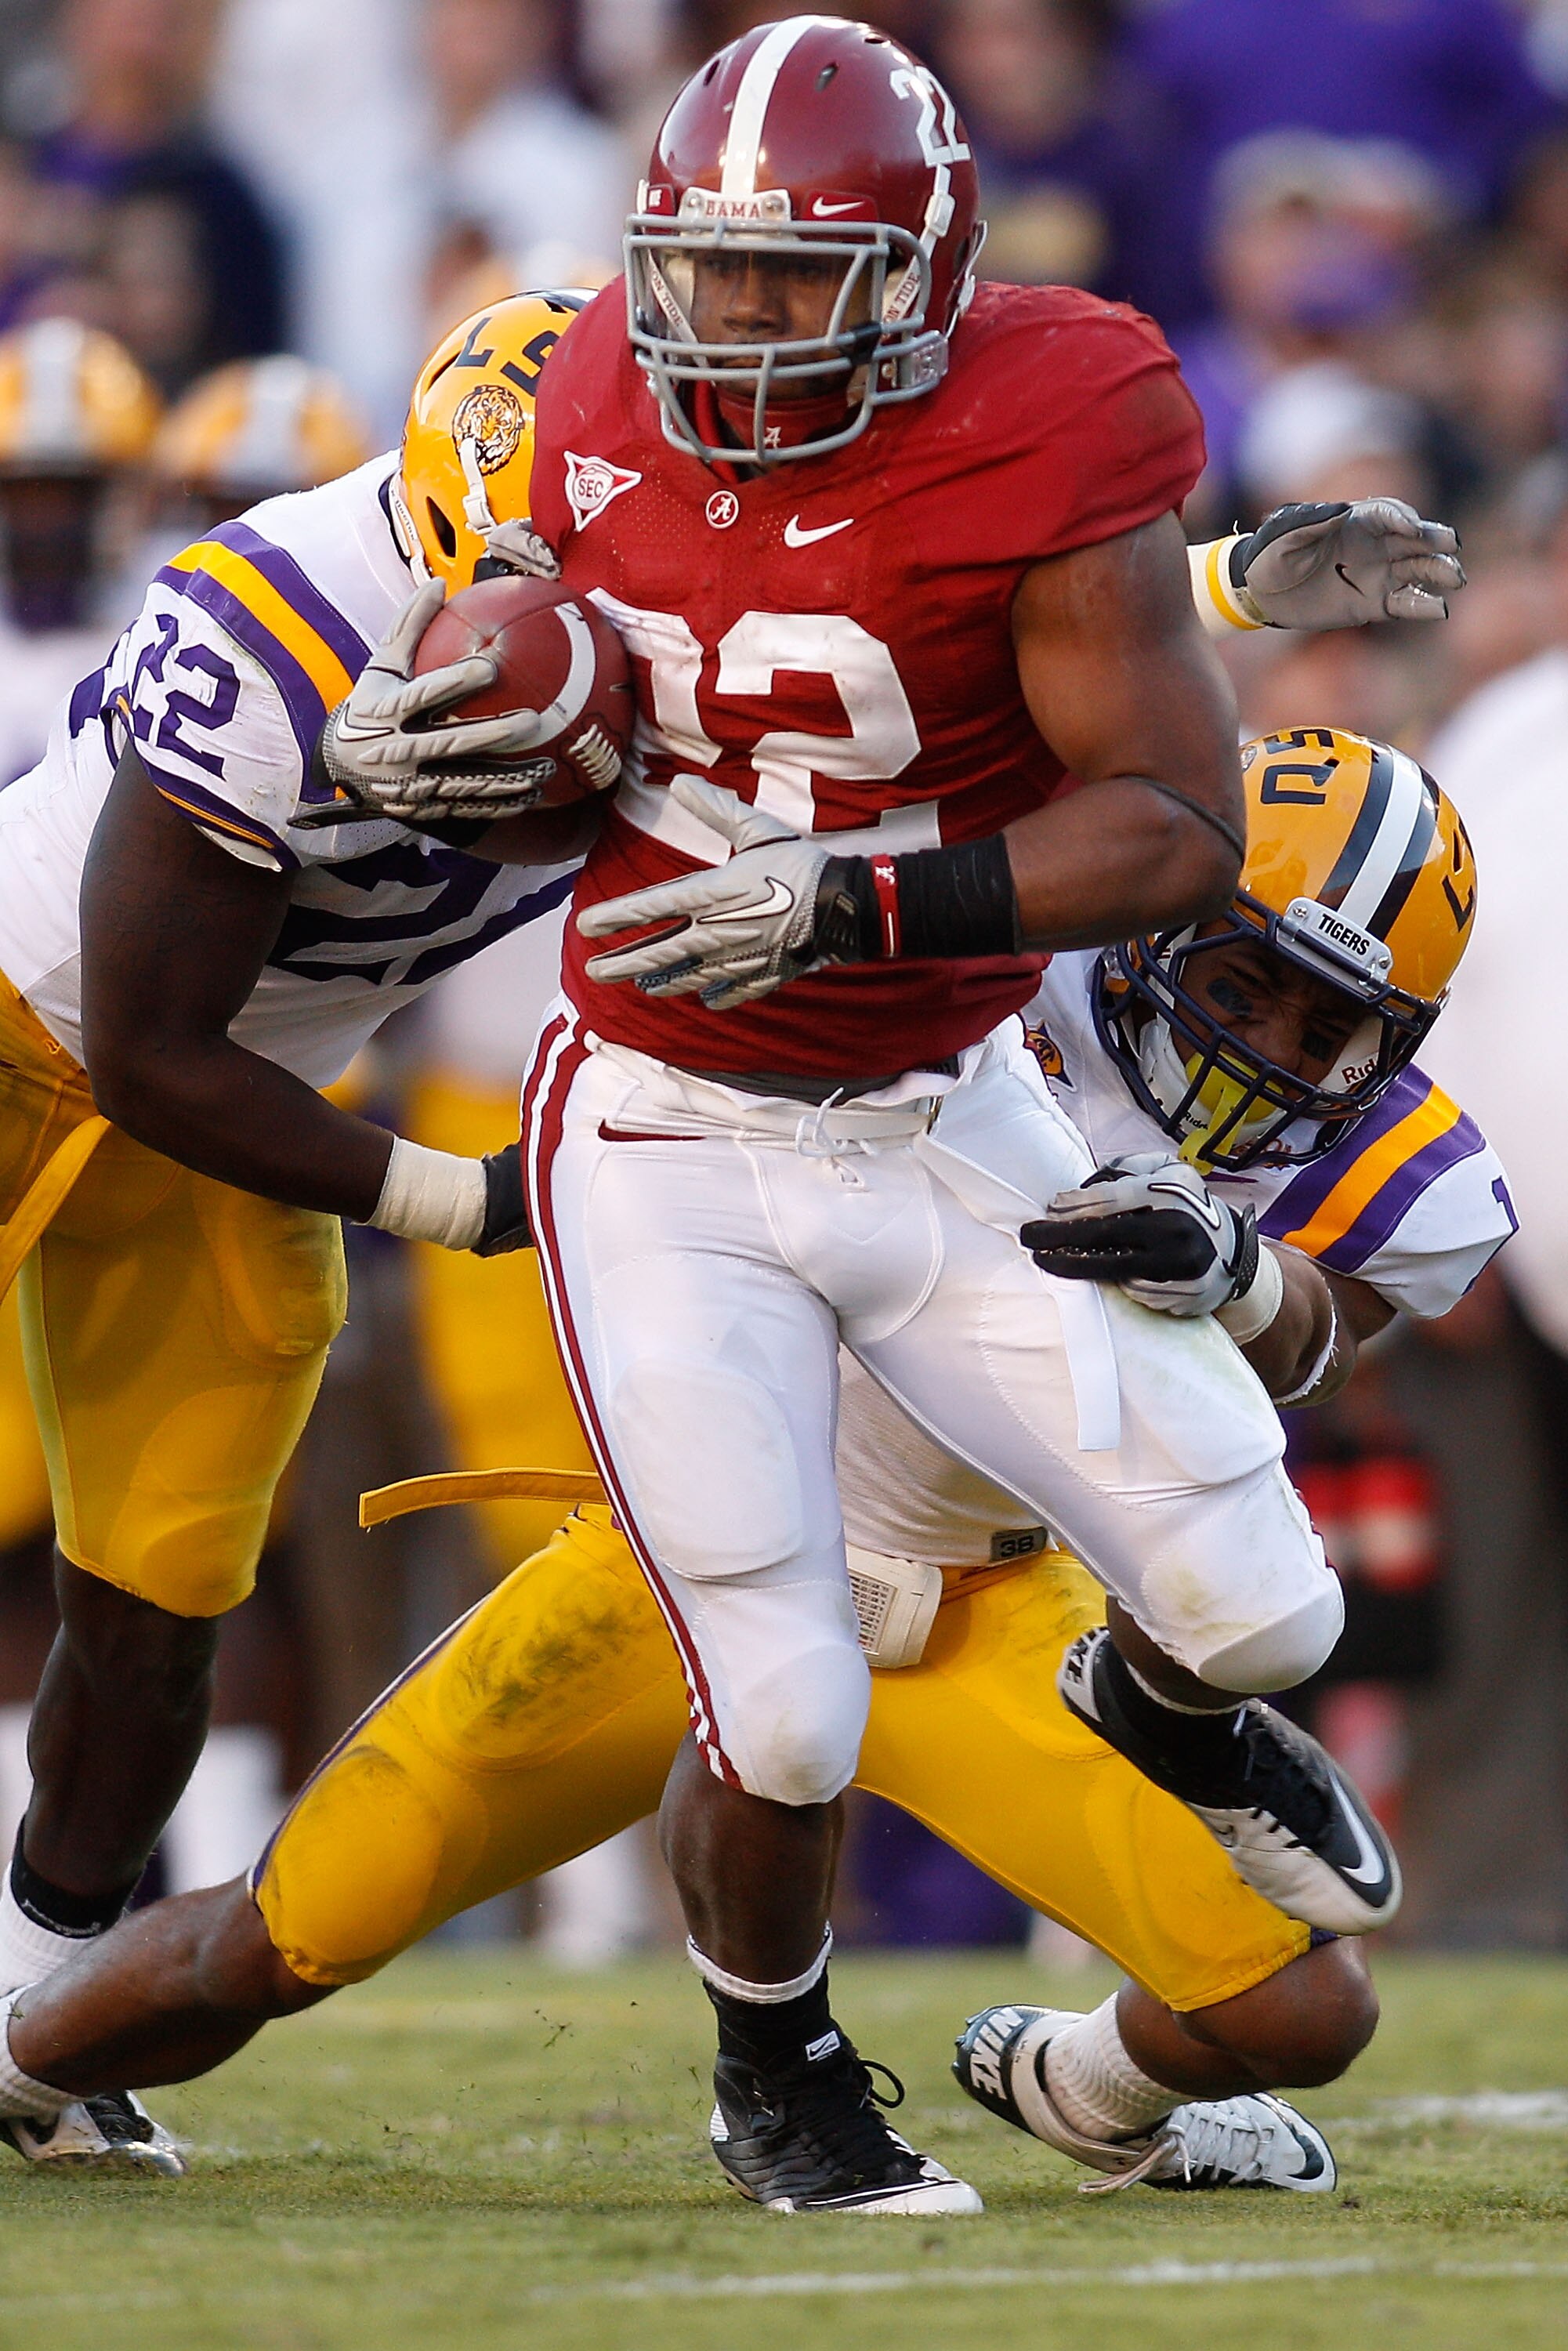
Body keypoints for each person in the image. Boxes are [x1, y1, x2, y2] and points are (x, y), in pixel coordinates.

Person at [344, 18, 1465, 2215]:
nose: (737, 328)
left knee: (1270, 1621)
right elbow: (654, 658)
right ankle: (779, 2075)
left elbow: (1158, 816)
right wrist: (478, 747)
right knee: (780, 1705)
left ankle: (1167, 1713)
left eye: (796, 277)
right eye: (710, 271)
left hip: (944, 1092)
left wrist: (857, 895)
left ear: (929, 272)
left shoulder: (1061, 405)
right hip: (666, 1123)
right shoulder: (583, 394)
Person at [0, 727, 1509, 2206]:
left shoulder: (1395, 1164)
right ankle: (25, 2062)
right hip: (678, 1553)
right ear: (1156, 916)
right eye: (1241, 984)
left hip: (979, 1600)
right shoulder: (990, 968)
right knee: (273, 1942)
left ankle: (1076, 2082)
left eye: (1329, 1031)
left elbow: (1315, 1338)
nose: (1270, 1049)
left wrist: (1241, 1272)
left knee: (1301, 2016)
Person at [0, 292, 600, 2175]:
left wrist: (1219, 589)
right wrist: (462, 1203)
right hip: (43, 1028)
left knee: (159, 1600)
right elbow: (155, 1044)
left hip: (242, 1111)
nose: (490, 618)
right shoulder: (266, 618)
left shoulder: (687, 604)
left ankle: (34, 2025)